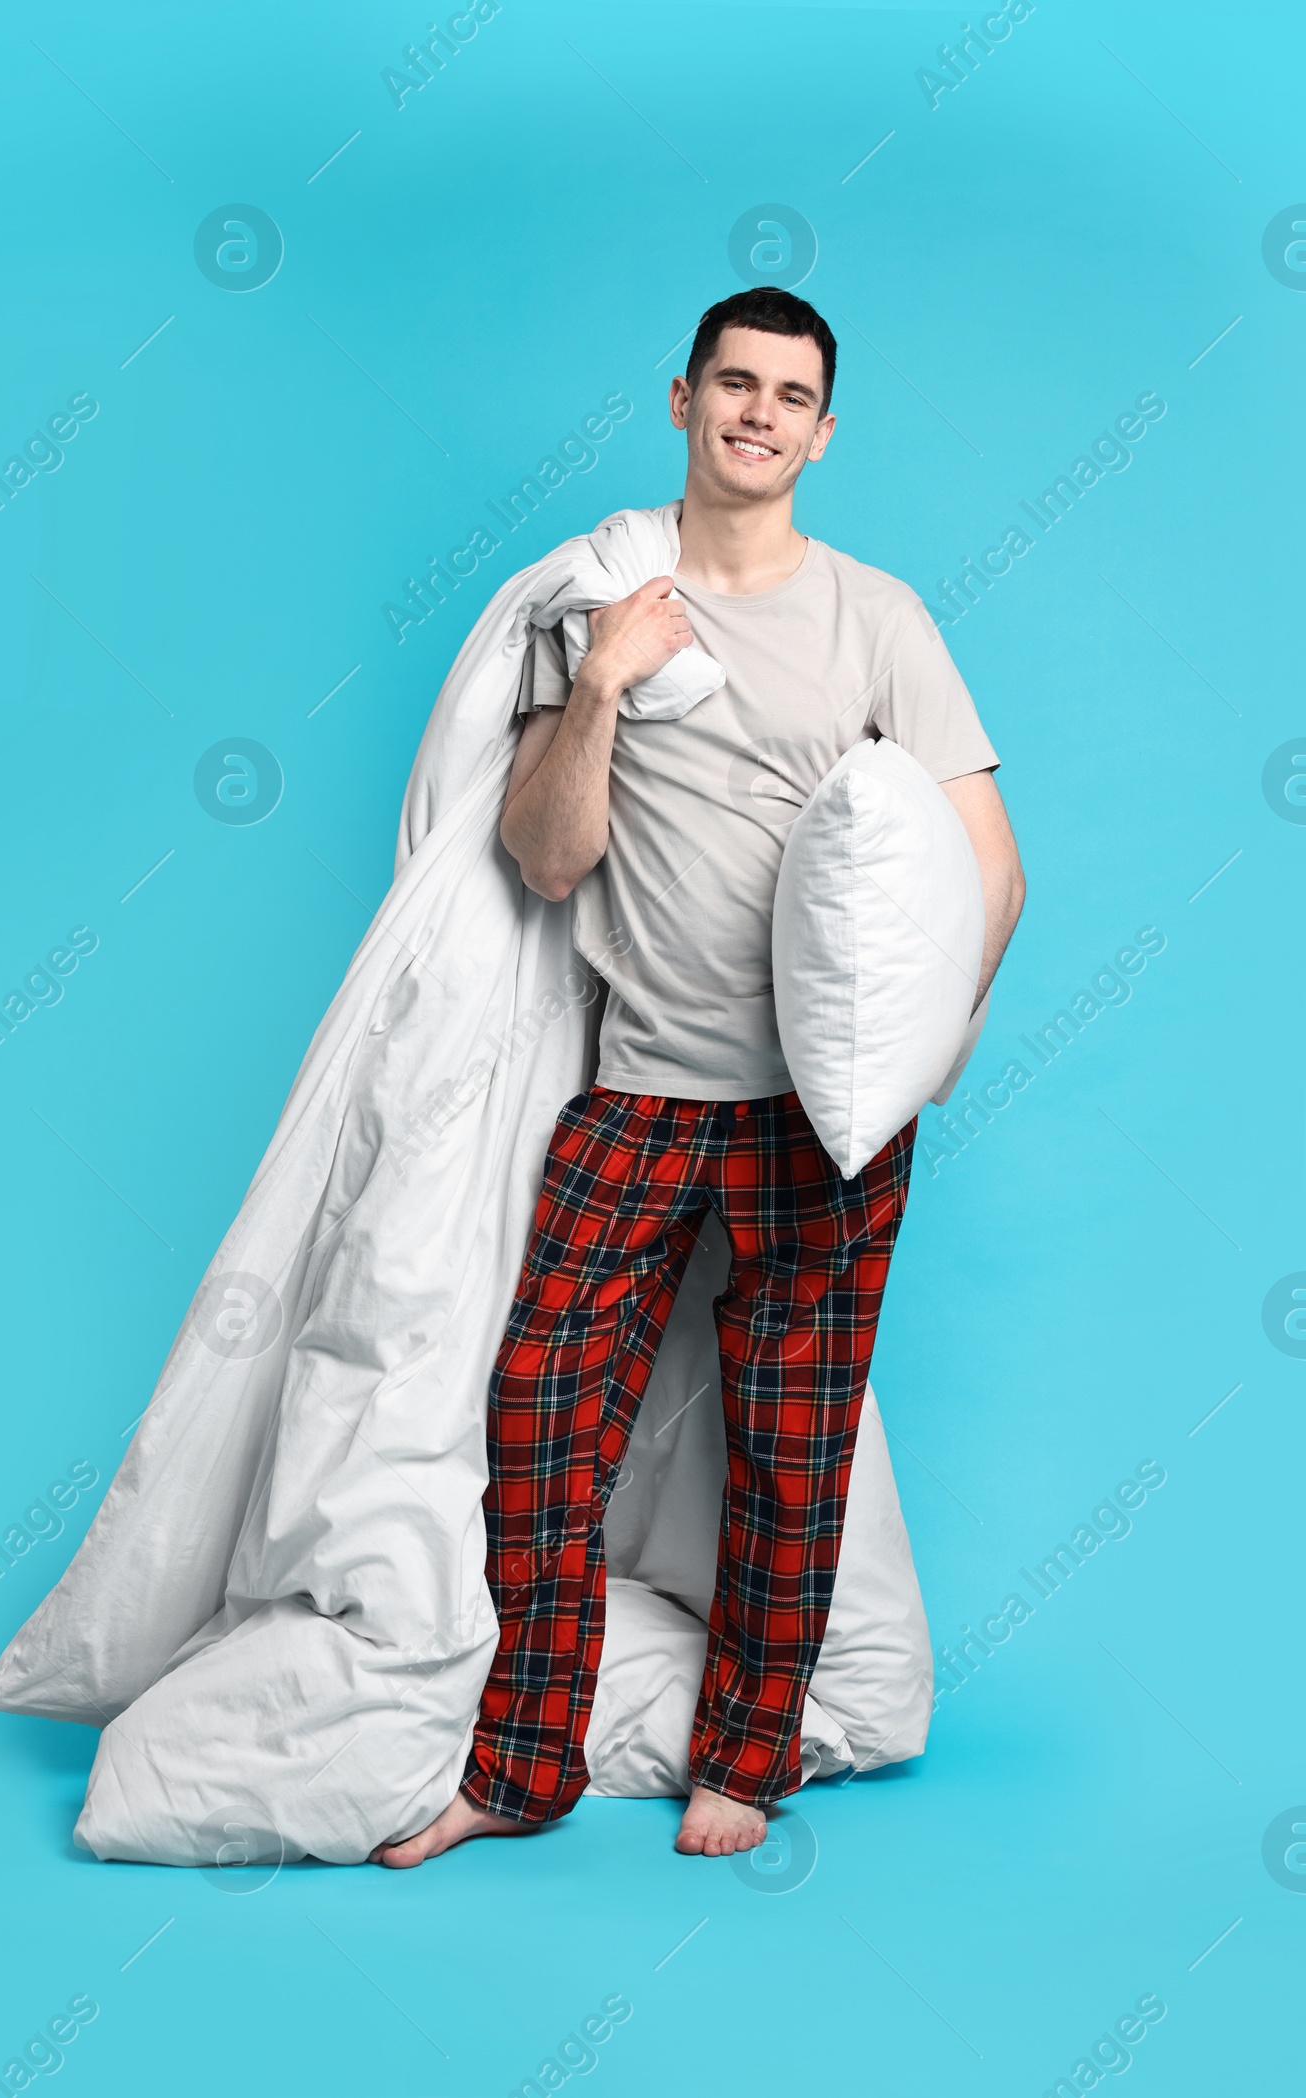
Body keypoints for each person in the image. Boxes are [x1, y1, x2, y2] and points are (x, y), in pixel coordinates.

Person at [374, 287, 1025, 1867]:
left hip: (821, 1117)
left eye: (791, 396)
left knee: (789, 1440)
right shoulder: (601, 602)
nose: (759, 415)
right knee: (539, 1413)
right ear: (681, 398)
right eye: (734, 384)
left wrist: (921, 1051)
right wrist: (602, 681)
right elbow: (542, 859)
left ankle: (748, 1757)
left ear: (822, 428)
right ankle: (516, 1769)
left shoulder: (880, 617)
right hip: (641, 1091)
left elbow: (991, 871)